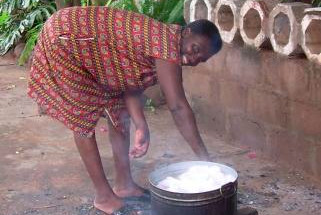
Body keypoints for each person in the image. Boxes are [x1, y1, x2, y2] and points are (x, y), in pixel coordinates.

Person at [27, 6, 222, 215]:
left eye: (201, 59)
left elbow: (131, 83)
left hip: (88, 45)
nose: (194, 58)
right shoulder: (167, 46)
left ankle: (124, 185)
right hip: (67, 39)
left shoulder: (168, 39)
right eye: (196, 49)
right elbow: (177, 107)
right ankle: (103, 197)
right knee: (82, 118)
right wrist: (206, 162)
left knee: (119, 111)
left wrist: (140, 125)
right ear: (187, 32)